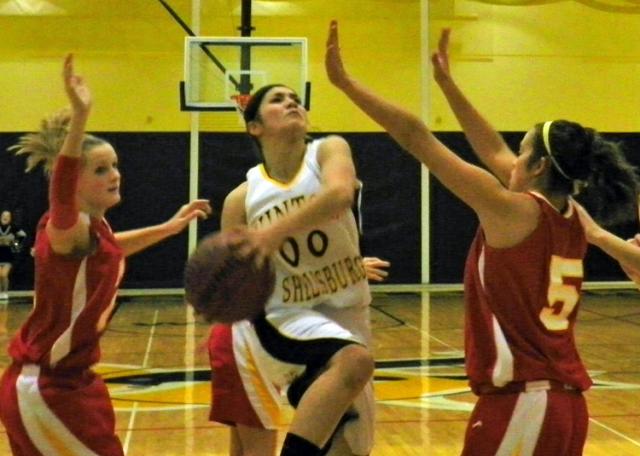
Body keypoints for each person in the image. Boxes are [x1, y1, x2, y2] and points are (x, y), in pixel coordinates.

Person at [325, 21, 639, 456]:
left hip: (522, 405)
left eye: (522, 152)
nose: (511, 159)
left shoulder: (512, 211)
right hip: (565, 406)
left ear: (538, 167)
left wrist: (345, 83)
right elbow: (492, 149)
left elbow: (415, 137)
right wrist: (448, 85)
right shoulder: (571, 215)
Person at [0, 54, 211, 456]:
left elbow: (111, 249)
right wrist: (80, 116)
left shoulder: (95, 230)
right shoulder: (65, 227)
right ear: (73, 181)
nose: (114, 174)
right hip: (46, 387)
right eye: (100, 169)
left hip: (69, 381)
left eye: (114, 165)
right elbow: (62, 194)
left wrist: (169, 228)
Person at [217, 83, 376, 456]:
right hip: (284, 317)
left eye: (296, 99)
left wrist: (273, 234)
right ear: (254, 126)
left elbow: (339, 195)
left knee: (352, 447)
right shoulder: (241, 199)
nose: (291, 102)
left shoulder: (328, 151)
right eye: (278, 100)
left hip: (347, 312)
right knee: (354, 363)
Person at [208, 257, 390, 456]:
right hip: (245, 338)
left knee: (243, 448)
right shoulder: (272, 260)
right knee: (258, 449)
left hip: (236, 335)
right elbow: (283, 288)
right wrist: (342, 274)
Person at [0, 210, 27, 301]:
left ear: (10, 218)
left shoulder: (13, 227)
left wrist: (13, 243)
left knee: (4, 275)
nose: (5, 217)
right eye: (4, 215)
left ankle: (4, 292)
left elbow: (23, 236)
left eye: (7, 216)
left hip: (7, 256)